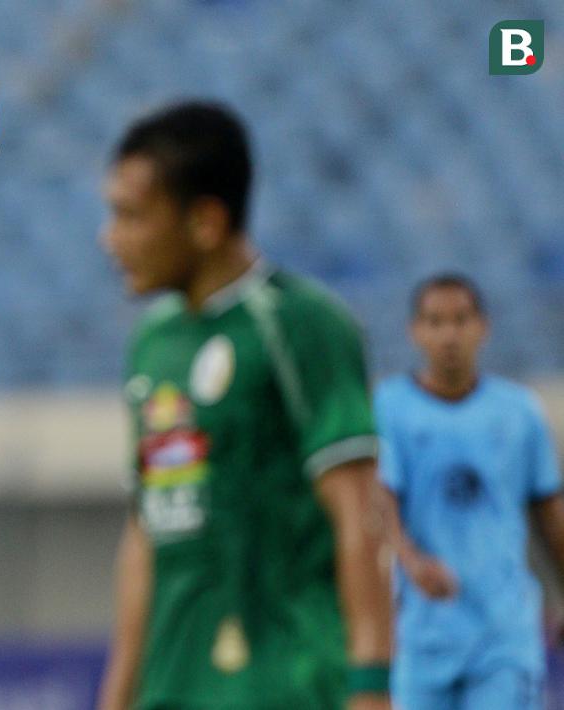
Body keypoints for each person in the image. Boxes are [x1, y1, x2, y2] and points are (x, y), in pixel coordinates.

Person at [94, 102, 392, 710]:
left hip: (290, 687)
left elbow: (358, 518)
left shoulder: (302, 326)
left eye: (131, 216)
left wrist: (371, 687)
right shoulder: (152, 345)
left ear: (205, 221)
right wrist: (118, 696)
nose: (110, 237)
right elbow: (147, 534)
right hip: (173, 691)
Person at [377, 274, 564, 709]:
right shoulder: (392, 408)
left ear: (483, 327)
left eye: (461, 320)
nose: (449, 335)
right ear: (415, 331)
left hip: (504, 634)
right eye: (435, 322)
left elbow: (548, 511)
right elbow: (380, 501)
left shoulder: (519, 411)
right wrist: (411, 561)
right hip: (423, 638)